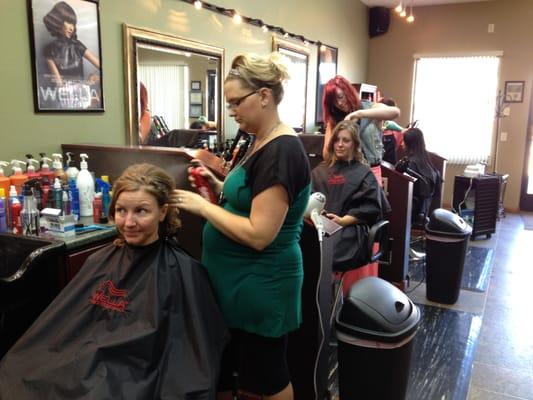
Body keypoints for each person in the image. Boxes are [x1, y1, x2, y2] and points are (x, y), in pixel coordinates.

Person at [0, 163, 228, 399]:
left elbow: (187, 360)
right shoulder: (100, 261)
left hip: (132, 376)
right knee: (17, 372)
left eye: (141, 211)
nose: (128, 222)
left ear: (162, 212)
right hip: (80, 362)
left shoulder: (183, 272)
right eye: (121, 211)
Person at [171, 53, 311, 400]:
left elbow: (260, 234)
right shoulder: (259, 141)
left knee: (266, 379)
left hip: (262, 283)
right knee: (239, 373)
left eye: (236, 102)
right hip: (236, 281)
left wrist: (203, 207)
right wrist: (217, 186)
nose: (231, 111)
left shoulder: (282, 151)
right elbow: (251, 197)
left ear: (264, 96)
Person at [312, 120, 389, 294]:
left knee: (326, 251)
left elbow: (371, 209)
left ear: (354, 144)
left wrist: (342, 220)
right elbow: (308, 201)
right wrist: (316, 214)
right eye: (337, 140)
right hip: (319, 226)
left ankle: (327, 298)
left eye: (345, 140)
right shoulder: (320, 171)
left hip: (350, 229)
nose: (340, 144)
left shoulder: (364, 173)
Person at [322, 75, 400, 180]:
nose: (339, 103)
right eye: (334, 101)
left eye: (340, 97)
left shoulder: (370, 108)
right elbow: (326, 154)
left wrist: (359, 114)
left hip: (371, 174)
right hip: (347, 174)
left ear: (348, 92)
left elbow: (395, 112)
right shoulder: (334, 121)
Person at [42, 1, 101, 108]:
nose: (71, 28)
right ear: (58, 21)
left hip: (80, 100)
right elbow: (59, 85)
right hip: (67, 101)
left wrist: (91, 81)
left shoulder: (77, 45)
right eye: (68, 22)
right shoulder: (49, 50)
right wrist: (86, 83)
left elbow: (102, 67)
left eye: (73, 24)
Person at [395, 127, 441, 224]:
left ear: (410, 145)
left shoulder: (411, 165)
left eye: (403, 141)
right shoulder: (427, 162)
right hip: (423, 211)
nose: (401, 144)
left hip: (412, 211)